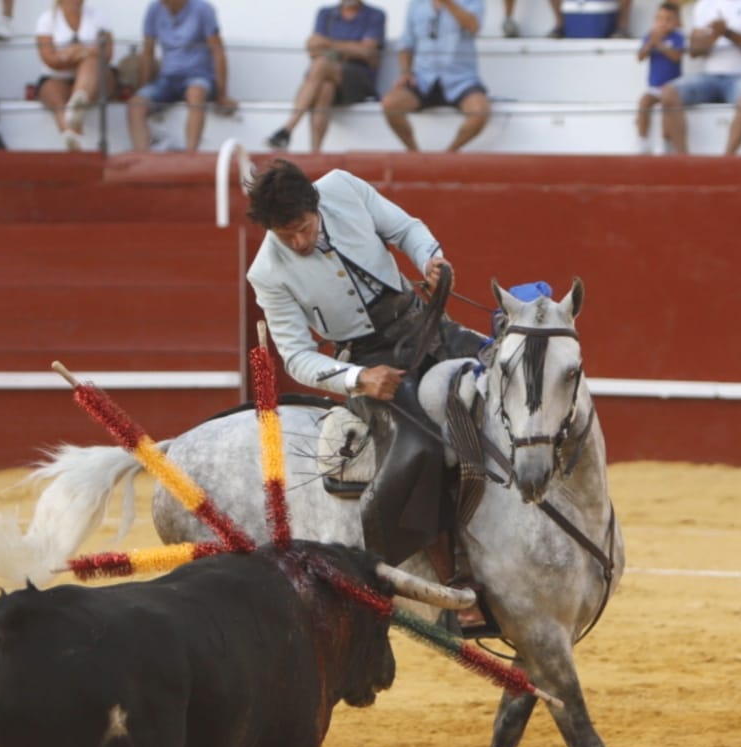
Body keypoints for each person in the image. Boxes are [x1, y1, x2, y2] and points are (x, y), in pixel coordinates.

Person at [244, 159, 487, 614]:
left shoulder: (342, 187)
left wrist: (430, 258)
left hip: (423, 323)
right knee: (421, 449)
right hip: (368, 359)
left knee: (500, 378)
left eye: (301, 228)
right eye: (284, 236)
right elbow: (296, 356)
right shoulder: (266, 272)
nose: (297, 242)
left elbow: (406, 229)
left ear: (316, 205)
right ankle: (455, 579)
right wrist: (360, 380)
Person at [265, 0, 385, 153]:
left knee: (322, 65)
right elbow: (313, 50)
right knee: (325, 88)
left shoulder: (375, 15)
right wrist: (350, 49)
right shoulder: (326, 14)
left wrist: (328, 44)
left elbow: (367, 52)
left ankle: (288, 128)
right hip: (329, 80)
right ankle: (315, 152)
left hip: (359, 81)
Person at [658, 0, 741, 155]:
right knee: (668, 93)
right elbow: (694, 51)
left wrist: (727, 32)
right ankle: (683, 158)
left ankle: (727, 159)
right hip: (709, 77)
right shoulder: (705, 4)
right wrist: (715, 35)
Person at [383, 0, 491, 153]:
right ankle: (415, 154)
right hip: (423, 78)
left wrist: (447, 2)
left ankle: (449, 154)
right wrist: (406, 72)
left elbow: (473, 26)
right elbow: (407, 42)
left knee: (480, 111)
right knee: (390, 104)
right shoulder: (416, 3)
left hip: (460, 79)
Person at [127, 0, 235, 153]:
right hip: (166, 79)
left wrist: (222, 94)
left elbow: (218, 51)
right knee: (135, 104)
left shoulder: (203, 9)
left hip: (199, 76)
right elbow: (147, 52)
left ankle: (190, 155)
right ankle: (143, 157)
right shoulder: (154, 9)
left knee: (195, 93)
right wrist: (144, 89)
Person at [35, 0, 113, 151]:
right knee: (56, 97)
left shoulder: (98, 17)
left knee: (91, 63)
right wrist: (76, 54)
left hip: (92, 78)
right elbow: (48, 57)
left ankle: (79, 100)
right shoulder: (47, 20)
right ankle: (71, 134)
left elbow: (107, 52)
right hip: (57, 78)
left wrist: (75, 54)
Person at [635, 1, 683, 154]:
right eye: (660, 18)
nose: (663, 23)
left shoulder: (677, 37)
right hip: (654, 87)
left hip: (672, 87)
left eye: (668, 19)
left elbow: (676, 57)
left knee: (667, 107)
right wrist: (650, 44)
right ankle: (642, 141)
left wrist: (660, 44)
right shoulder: (650, 37)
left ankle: (664, 142)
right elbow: (640, 56)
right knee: (644, 102)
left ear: (677, 22)